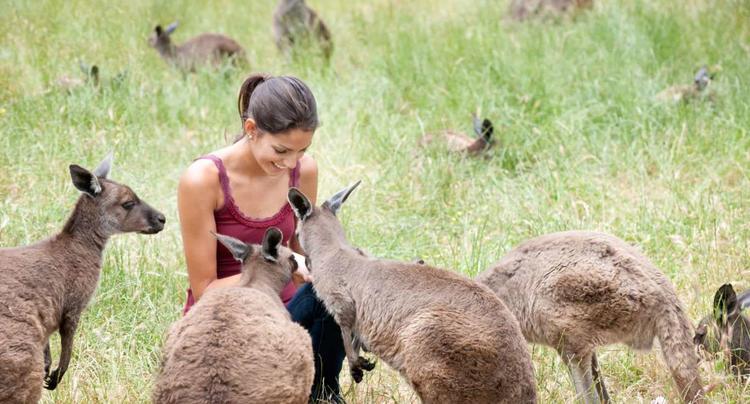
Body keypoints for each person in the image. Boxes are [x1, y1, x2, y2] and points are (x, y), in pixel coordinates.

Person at [177, 73, 346, 402]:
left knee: (336, 285)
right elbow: (205, 290)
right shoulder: (202, 179)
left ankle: (323, 390)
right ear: (252, 130)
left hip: (285, 317)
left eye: (301, 150)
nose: (290, 162)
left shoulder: (303, 170)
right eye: (281, 150)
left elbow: (301, 262)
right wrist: (282, 268)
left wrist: (312, 273)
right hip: (229, 322)